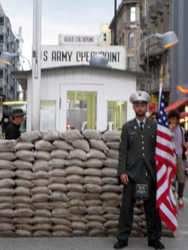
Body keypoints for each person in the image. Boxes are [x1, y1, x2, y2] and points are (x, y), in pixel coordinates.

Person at [114, 91, 164, 249]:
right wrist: (122, 171)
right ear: (133, 107)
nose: (140, 107)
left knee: (153, 210)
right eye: (137, 104)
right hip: (131, 174)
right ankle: (122, 238)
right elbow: (123, 151)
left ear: (147, 106)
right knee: (126, 209)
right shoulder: (127, 127)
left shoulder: (155, 126)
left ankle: (154, 238)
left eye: (142, 104)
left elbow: (161, 150)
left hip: (151, 173)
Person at [168, 110, 186, 208]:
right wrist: (169, 130)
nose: (172, 121)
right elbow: (165, 140)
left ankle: (181, 196)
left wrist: (185, 144)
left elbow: (182, 142)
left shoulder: (181, 130)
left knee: (181, 179)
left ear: (177, 119)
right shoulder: (167, 129)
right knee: (171, 179)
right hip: (170, 157)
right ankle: (172, 197)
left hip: (179, 157)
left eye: (174, 119)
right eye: (171, 119)